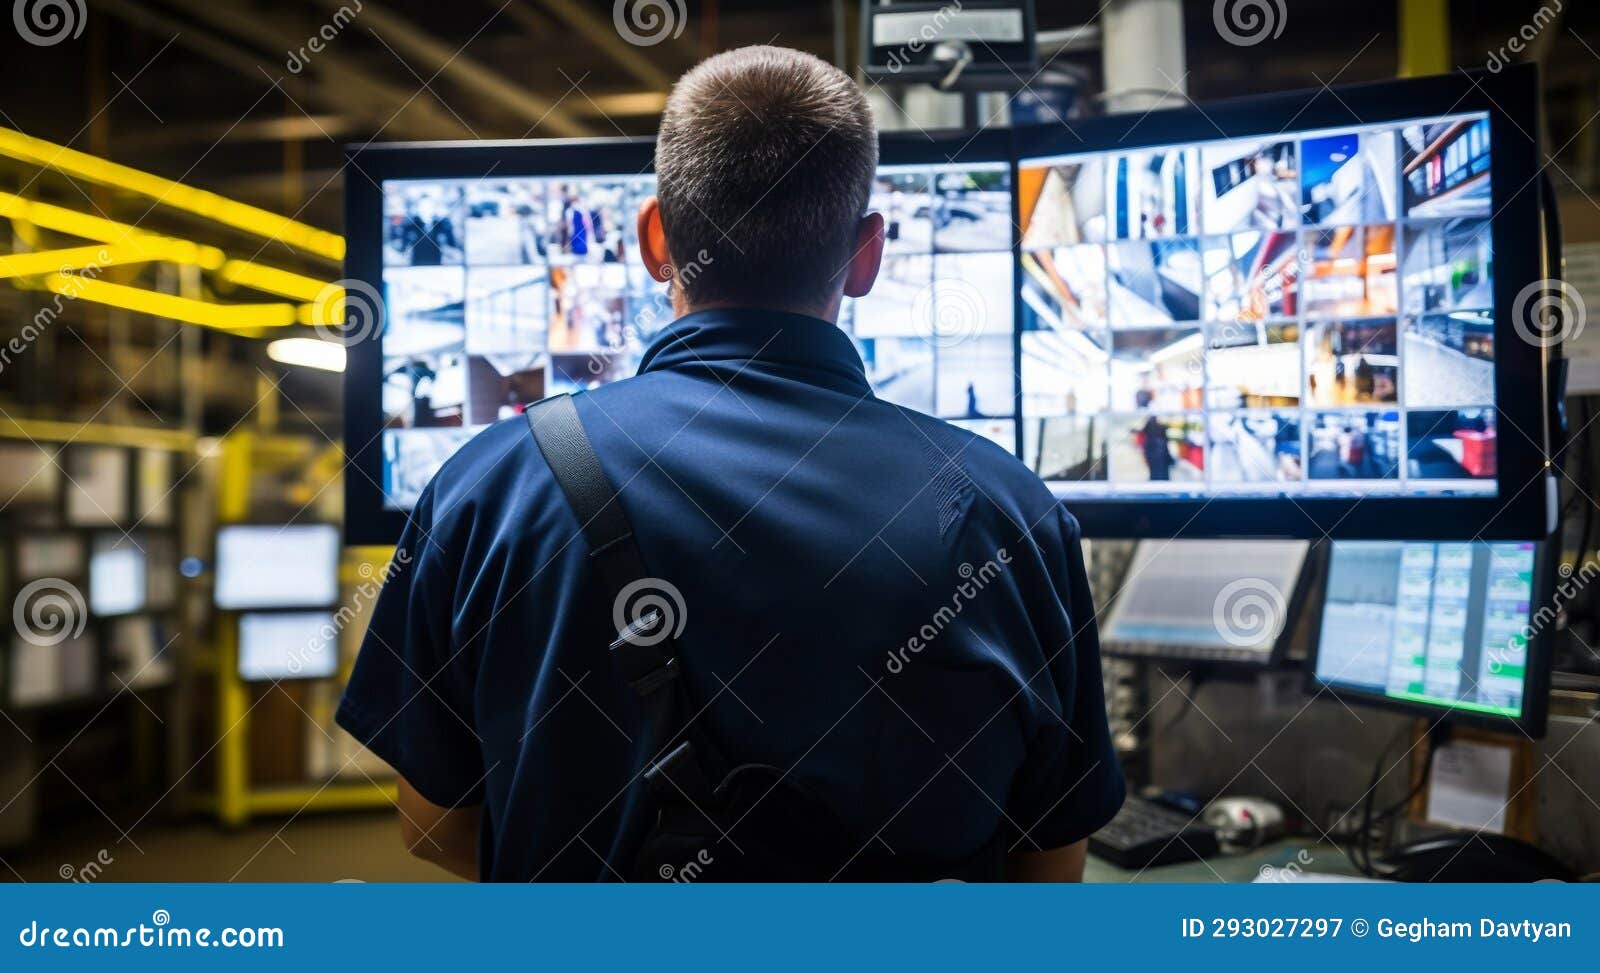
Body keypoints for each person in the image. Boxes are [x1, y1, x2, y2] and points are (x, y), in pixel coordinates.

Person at [337, 45, 1124, 883]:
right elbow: (1051, 868)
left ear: (652, 240)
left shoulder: (487, 487)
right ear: (866, 256)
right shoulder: (1013, 513)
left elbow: (431, 825)